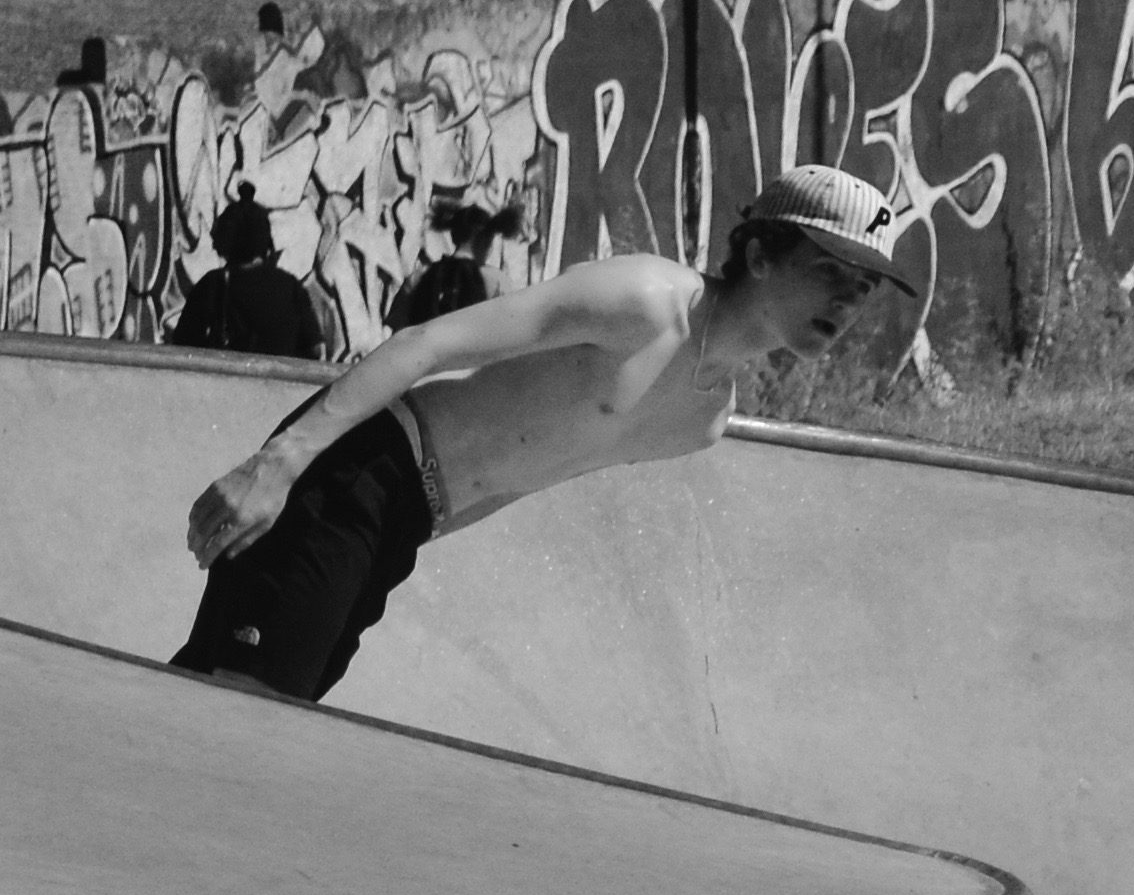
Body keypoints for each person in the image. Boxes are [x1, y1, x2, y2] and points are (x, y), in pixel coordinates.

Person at [171, 165, 912, 702]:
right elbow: (425, 343)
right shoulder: (646, 301)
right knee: (250, 716)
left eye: (865, 286)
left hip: (396, 523)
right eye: (829, 270)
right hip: (352, 468)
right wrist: (279, 462)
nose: (849, 301)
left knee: (214, 701)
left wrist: (399, 539)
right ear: (760, 256)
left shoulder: (703, 419)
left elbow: (522, 474)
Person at [168, 182, 327, 360]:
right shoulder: (290, 287)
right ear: (265, 239)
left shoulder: (211, 286)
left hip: (226, 385)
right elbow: (315, 350)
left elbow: (182, 347)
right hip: (278, 386)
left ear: (224, 240)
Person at [386, 200, 523, 329]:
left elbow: (398, 327)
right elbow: (514, 329)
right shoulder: (497, 282)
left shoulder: (420, 276)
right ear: (487, 240)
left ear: (453, 236)